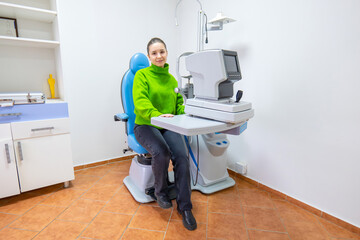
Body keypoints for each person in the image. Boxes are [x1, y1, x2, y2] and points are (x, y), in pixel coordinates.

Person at [133, 37, 197, 231]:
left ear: (166, 53)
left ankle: (185, 207)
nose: (158, 56)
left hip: (168, 124)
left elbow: (178, 104)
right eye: (154, 53)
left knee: (182, 156)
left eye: (162, 52)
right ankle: (160, 192)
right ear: (149, 56)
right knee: (161, 152)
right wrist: (158, 115)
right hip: (145, 124)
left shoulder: (171, 79)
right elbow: (141, 104)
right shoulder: (141, 76)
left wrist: (185, 115)